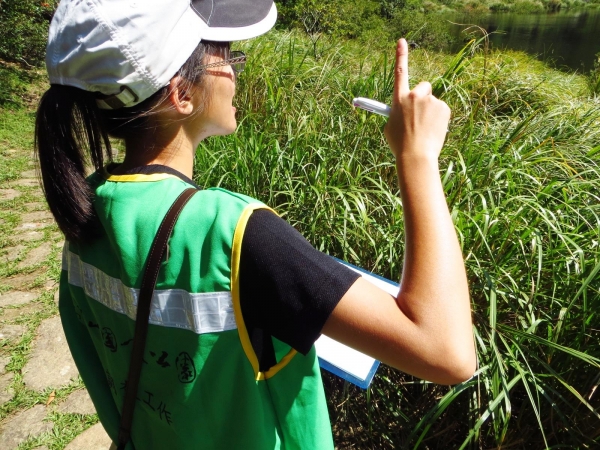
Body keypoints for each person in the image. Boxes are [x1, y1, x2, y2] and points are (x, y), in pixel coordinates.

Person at [35, 0, 476, 448]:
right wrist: (418, 157)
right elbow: (445, 351)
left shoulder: (86, 211)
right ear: (181, 94)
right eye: (223, 52)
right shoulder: (233, 233)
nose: (234, 67)